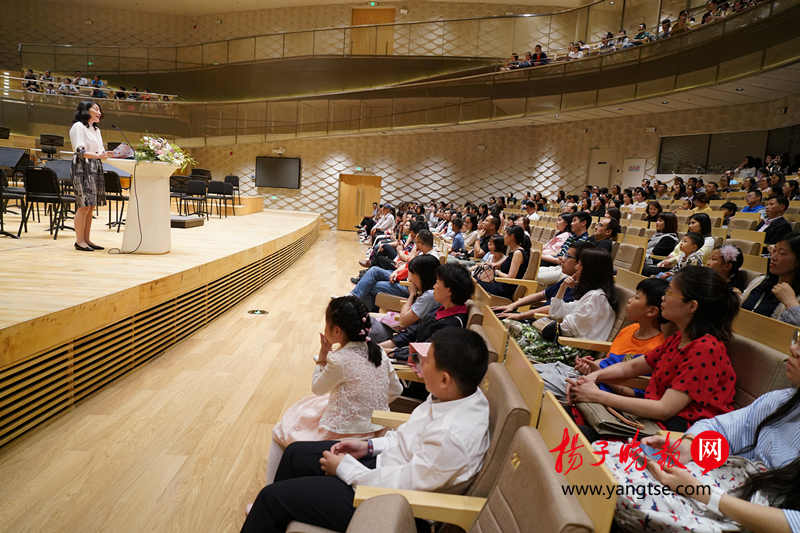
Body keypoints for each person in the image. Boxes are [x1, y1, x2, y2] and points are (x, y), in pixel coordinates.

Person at [240, 327, 490, 533]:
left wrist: (345, 468)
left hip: (393, 505)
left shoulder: (451, 436)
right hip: (384, 471)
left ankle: (272, 513)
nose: (420, 364)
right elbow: (407, 438)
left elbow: (405, 487)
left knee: (271, 499)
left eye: (427, 361)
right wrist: (368, 447)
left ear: (445, 379)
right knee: (295, 453)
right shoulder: (456, 394)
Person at [607, 343, 800, 533]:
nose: (793, 348)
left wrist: (703, 493)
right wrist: (691, 447)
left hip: (738, 505)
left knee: (624, 495)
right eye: (797, 338)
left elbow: (664, 408)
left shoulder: (705, 348)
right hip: (719, 480)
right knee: (606, 456)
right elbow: (724, 432)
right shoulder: (783, 400)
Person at [567, 265, 739, 433]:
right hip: (654, 419)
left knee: (572, 432)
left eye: (670, 292)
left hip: (679, 432)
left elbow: (664, 409)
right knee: (567, 417)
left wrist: (596, 395)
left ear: (692, 306)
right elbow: (631, 367)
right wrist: (593, 377)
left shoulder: (706, 349)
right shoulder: (679, 338)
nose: (663, 297)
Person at [267, 296, 402, 484]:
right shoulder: (378, 352)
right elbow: (397, 389)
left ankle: (271, 486)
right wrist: (371, 399)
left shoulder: (339, 359)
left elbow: (317, 388)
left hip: (345, 433)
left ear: (337, 331)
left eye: (327, 325)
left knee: (283, 429)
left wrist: (323, 356)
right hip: (378, 428)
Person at [534, 277, 668, 401]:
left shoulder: (657, 349)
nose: (629, 300)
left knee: (533, 381)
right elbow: (608, 361)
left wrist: (598, 374)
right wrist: (589, 365)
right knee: (531, 370)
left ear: (651, 311)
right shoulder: (630, 329)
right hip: (590, 377)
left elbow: (632, 393)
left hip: (599, 390)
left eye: (637, 297)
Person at [512, 247, 617, 365]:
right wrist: (563, 288)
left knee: (513, 336)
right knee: (511, 327)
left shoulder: (597, 298)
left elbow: (567, 329)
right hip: (564, 342)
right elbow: (555, 313)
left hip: (573, 350)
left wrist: (550, 323)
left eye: (580, 265)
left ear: (590, 270)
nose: (576, 268)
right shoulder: (591, 294)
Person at [379, 263, 473, 359]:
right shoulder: (443, 308)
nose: (434, 286)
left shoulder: (453, 324)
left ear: (449, 291)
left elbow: (427, 352)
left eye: (437, 283)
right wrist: (385, 346)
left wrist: (389, 353)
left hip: (416, 362)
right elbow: (414, 331)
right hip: (405, 351)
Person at [493, 241, 584, 320]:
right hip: (534, 317)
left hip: (542, 321)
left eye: (568, 256)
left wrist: (519, 316)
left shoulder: (582, 290)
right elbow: (541, 294)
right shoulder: (567, 279)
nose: (562, 259)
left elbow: (552, 309)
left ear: (580, 263)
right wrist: (513, 305)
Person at [69, 101, 112, 252]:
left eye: (100, 110)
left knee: (91, 206)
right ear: (86, 110)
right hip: (82, 166)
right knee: (83, 205)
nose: (99, 112)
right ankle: (79, 241)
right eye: (96, 109)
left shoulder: (96, 129)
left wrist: (107, 154)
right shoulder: (78, 126)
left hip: (95, 166)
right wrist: (98, 155)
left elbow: (99, 150)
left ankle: (87, 239)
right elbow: (80, 151)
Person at [368, 254, 440, 343]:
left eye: (412, 274)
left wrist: (411, 295)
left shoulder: (429, 296)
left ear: (422, 276)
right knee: (366, 316)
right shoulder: (429, 292)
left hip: (403, 334)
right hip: (402, 328)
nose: (410, 279)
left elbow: (403, 322)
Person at [741, 233, 800, 326]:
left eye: (782, 253)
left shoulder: (794, 298)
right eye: (774, 251)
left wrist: (791, 303)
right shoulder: (760, 280)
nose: (773, 257)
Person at [476, 225, 531, 299]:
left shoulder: (518, 253)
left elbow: (511, 277)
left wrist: (497, 272)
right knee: (475, 278)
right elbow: (497, 264)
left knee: (475, 282)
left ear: (512, 236)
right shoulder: (513, 251)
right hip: (501, 283)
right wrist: (489, 265)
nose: (503, 237)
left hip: (505, 289)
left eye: (505, 234)